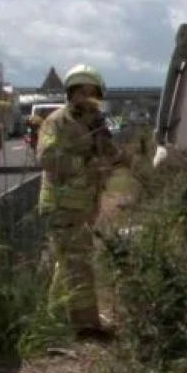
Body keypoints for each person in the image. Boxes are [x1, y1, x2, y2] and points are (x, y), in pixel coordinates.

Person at [36, 64, 124, 339]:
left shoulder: (95, 122)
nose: (86, 97)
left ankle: (57, 320)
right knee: (76, 262)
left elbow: (111, 155)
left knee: (70, 263)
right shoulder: (58, 122)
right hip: (63, 206)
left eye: (91, 92)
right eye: (80, 91)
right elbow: (47, 158)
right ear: (70, 94)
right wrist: (86, 163)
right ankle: (83, 325)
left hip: (84, 205)